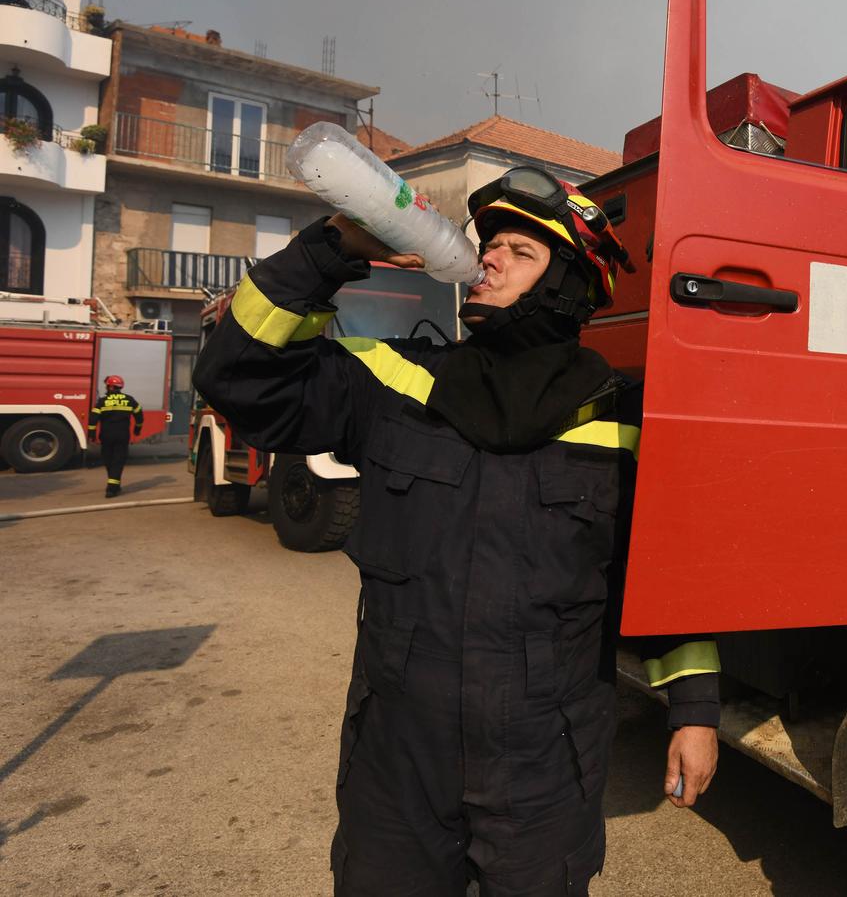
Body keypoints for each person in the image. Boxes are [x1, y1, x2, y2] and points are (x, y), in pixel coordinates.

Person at [193, 167, 720, 896]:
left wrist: (694, 714)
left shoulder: (625, 419)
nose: (488, 257)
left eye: (520, 251)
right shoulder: (395, 381)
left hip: (545, 760)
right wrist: (333, 249)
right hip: (398, 755)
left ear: (570, 285)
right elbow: (239, 376)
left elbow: (662, 575)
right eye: (489, 243)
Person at [89, 375, 142, 498]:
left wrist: (92, 433)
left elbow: (93, 418)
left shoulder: (102, 401)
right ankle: (114, 486)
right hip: (122, 436)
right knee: (118, 461)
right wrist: (137, 429)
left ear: (110, 386)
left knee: (108, 460)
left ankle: (112, 488)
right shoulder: (129, 399)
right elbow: (139, 414)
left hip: (106, 436)